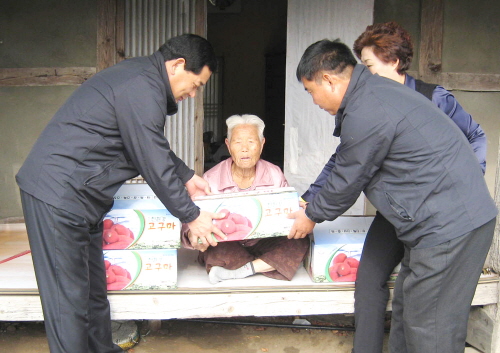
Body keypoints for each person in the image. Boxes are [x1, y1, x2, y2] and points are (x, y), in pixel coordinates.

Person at [15, 34, 227, 353]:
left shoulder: (142, 80)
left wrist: (185, 175)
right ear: (178, 65)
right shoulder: (142, 86)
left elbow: (143, 142)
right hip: (57, 196)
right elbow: (150, 156)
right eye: (196, 84)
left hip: (81, 199)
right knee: (67, 303)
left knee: (92, 294)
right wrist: (191, 215)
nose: (194, 94)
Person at [288, 38, 497, 353]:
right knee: (409, 311)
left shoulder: (369, 106)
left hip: (448, 226)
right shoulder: (372, 96)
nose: (314, 101)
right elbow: (343, 159)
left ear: (329, 80)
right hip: (433, 223)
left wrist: (311, 215)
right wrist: (310, 200)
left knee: (431, 326)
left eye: (310, 91)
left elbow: (348, 177)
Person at [183, 114, 310, 284]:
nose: (244, 148)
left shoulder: (274, 173)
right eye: (237, 142)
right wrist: (193, 234)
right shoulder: (211, 178)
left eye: (251, 142)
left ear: (261, 144)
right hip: (229, 243)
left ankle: (242, 270)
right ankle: (265, 264)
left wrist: (299, 209)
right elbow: (192, 219)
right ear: (228, 145)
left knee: (299, 241)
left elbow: (288, 212)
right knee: (215, 250)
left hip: (264, 241)